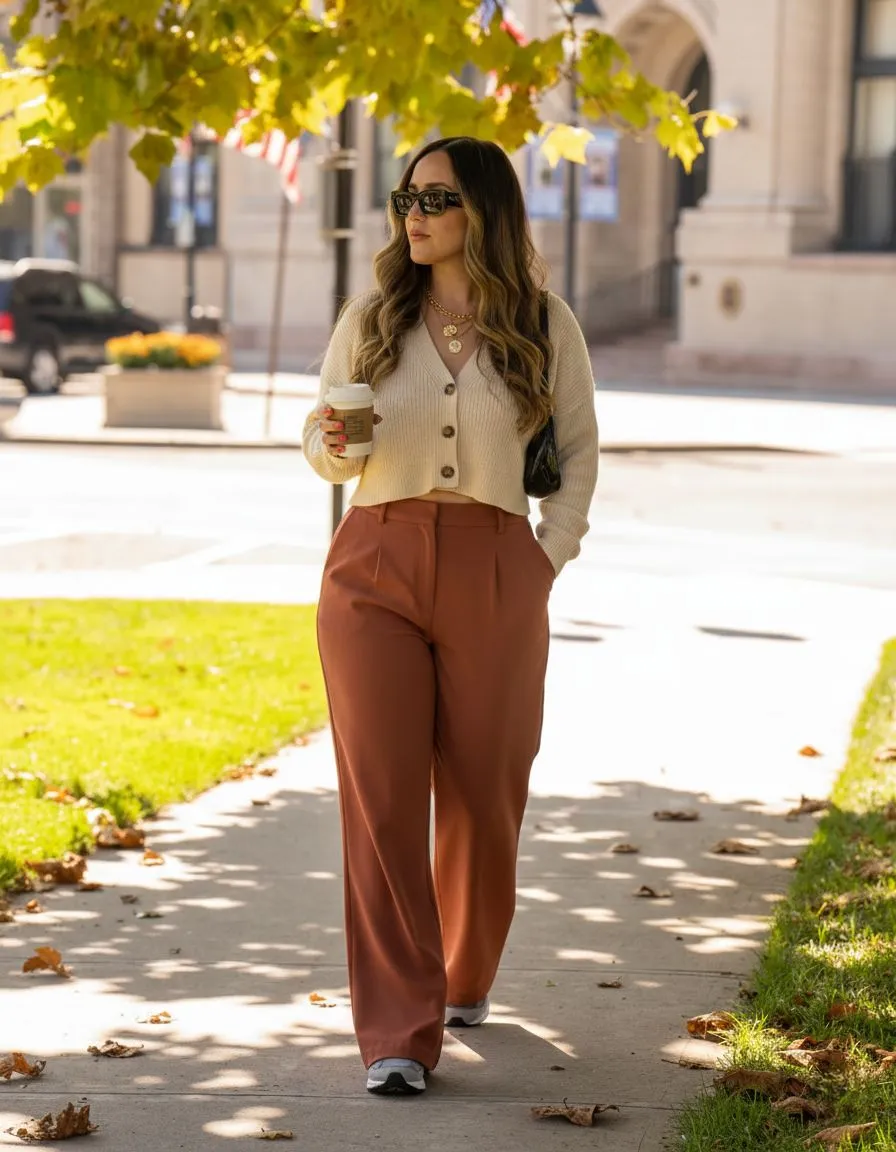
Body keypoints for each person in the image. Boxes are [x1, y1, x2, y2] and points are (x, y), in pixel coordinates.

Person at [303, 136, 599, 1097]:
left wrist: (541, 559)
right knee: (382, 801)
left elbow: (579, 458)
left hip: (496, 566)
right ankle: (398, 1030)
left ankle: (463, 974)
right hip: (374, 564)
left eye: (433, 199)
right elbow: (324, 437)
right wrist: (333, 445)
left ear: (484, 211)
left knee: (483, 792)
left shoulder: (545, 326)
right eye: (405, 198)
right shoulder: (373, 316)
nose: (412, 215)